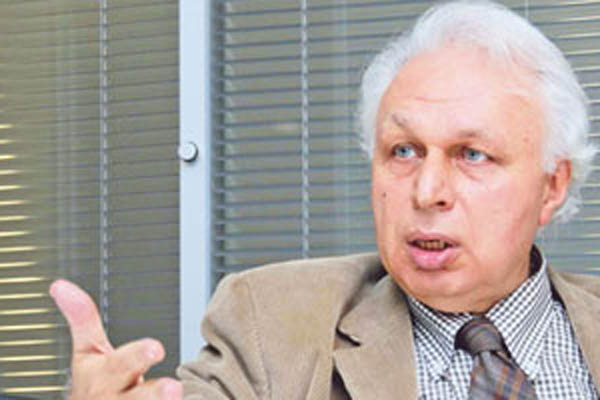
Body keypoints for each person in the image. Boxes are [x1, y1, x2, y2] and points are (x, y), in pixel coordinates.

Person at [50, 0, 600, 399]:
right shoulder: (271, 323)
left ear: (552, 186)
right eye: (404, 150)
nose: (427, 191)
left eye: (472, 155)